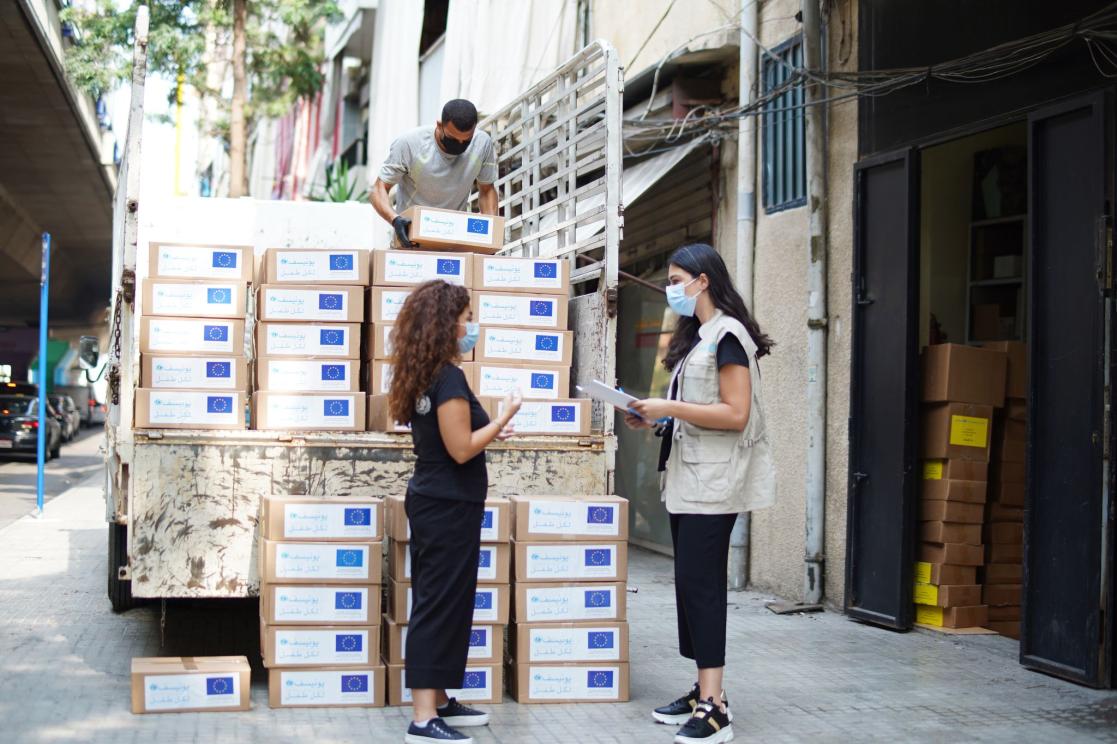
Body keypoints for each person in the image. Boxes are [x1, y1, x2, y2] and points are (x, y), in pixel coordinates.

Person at [626, 243, 776, 744]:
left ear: (702, 280)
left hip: (716, 483)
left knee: (703, 586)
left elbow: (736, 414)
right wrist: (655, 410)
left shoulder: (729, 336)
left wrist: (674, 409)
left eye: (675, 279)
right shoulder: (699, 338)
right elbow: (694, 404)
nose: (670, 289)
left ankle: (715, 707)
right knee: (690, 585)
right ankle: (701, 689)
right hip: (689, 479)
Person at [387, 280, 522, 744]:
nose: (472, 326)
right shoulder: (447, 378)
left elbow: (459, 435)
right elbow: (461, 449)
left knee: (447, 602)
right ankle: (424, 718)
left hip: (441, 504)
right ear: (447, 324)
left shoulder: (430, 374)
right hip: (445, 507)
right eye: (466, 318)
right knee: (438, 606)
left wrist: (490, 430)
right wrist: (502, 420)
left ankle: (440, 699)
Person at [372, 98, 499, 249]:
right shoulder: (410, 144)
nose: (459, 145)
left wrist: (491, 236)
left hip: (453, 241)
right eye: (453, 139)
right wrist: (395, 219)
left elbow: (487, 190)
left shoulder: (482, 143)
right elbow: (379, 188)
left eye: (466, 141)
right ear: (439, 125)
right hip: (411, 240)